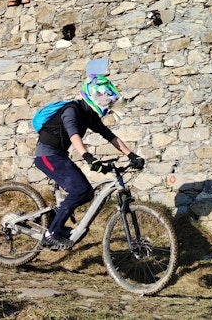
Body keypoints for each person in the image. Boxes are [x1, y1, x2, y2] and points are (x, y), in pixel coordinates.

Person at [33, 73, 144, 250]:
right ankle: (51, 234)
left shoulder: (89, 115)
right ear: (92, 94)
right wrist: (87, 156)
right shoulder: (72, 110)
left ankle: (55, 221)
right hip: (46, 155)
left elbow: (109, 136)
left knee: (87, 193)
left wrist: (131, 155)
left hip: (58, 155)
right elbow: (73, 134)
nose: (105, 103)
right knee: (79, 189)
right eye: (103, 98)